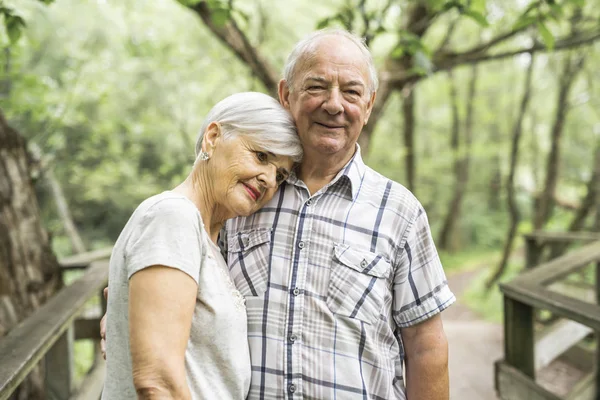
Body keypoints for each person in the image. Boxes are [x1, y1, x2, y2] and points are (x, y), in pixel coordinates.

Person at [102, 28, 454, 399]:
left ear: (368, 106)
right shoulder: (239, 201)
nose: (334, 104)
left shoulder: (399, 212)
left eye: (351, 92)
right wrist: (127, 316)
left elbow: (426, 346)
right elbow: (169, 292)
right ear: (286, 95)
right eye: (317, 87)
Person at [101, 92, 302, 400]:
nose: (268, 179)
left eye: (280, 174)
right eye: (261, 156)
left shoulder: (210, 240)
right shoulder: (172, 216)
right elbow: (158, 381)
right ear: (212, 137)